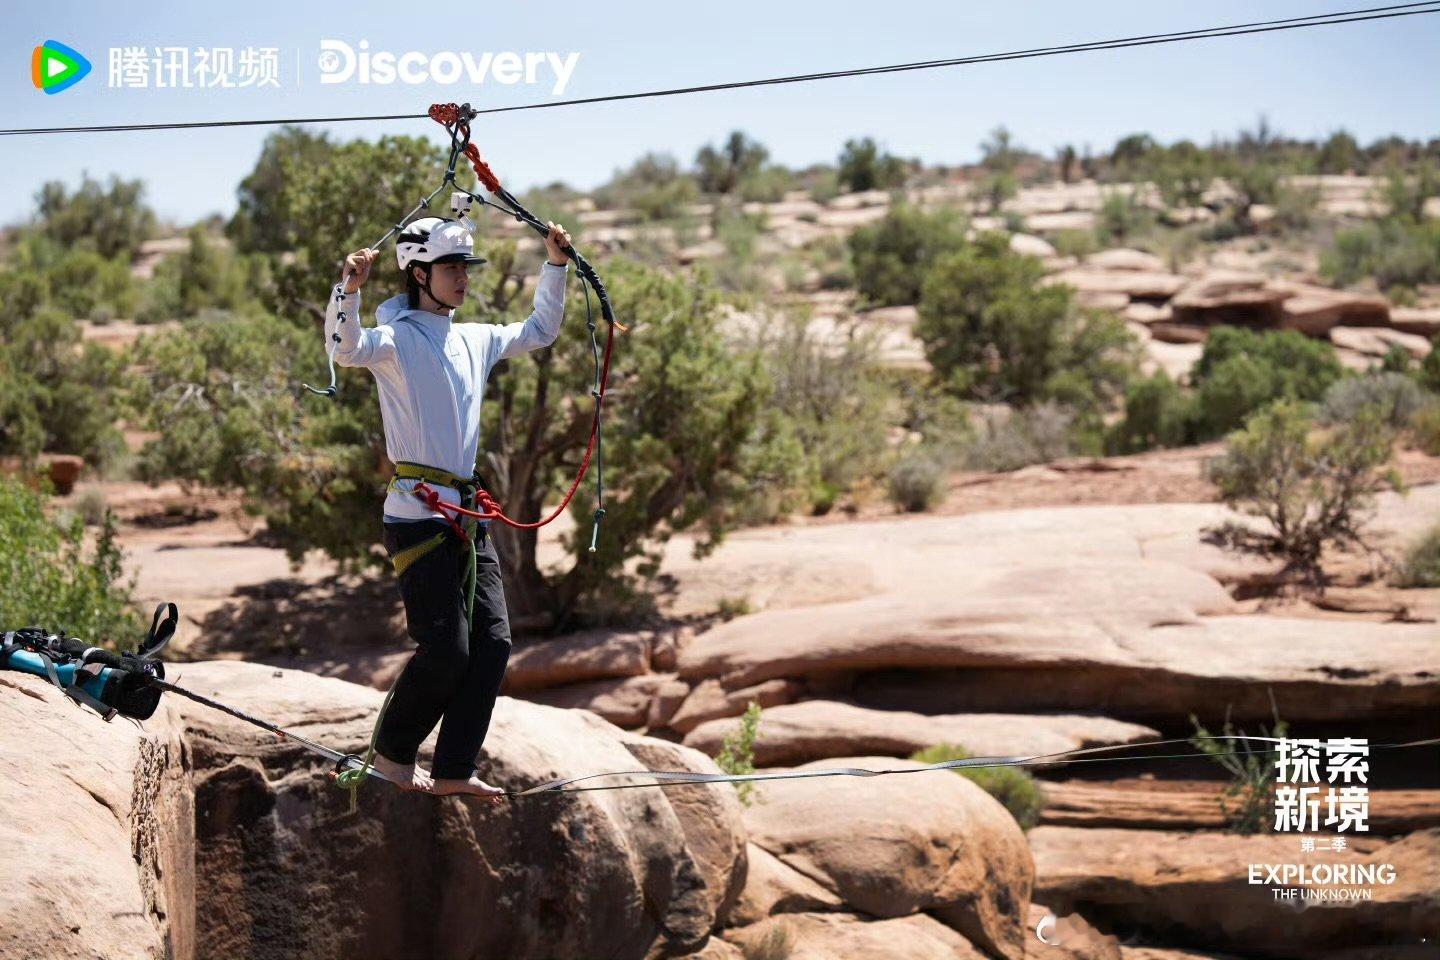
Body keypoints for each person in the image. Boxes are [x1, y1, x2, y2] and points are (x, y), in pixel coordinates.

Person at [324, 215, 572, 802]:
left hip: (467, 515)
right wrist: (349, 291)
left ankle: (454, 769)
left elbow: (541, 329)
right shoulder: (395, 339)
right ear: (418, 274)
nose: (462, 278)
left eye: (465, 267)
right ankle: (391, 757)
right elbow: (345, 347)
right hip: (417, 516)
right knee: (446, 649)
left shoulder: (474, 337)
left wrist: (556, 265)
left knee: (493, 645)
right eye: (451, 268)